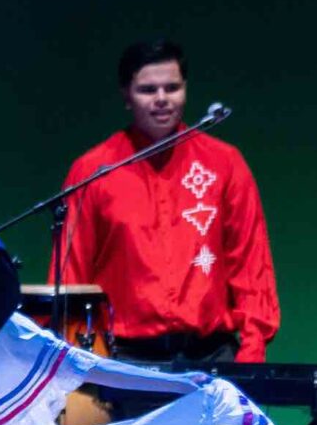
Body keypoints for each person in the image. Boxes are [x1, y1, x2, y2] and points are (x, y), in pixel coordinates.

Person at [54, 40, 277, 366]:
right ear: (126, 96)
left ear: (185, 89)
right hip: (125, 359)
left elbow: (251, 267)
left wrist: (251, 356)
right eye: (148, 90)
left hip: (212, 355)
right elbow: (70, 279)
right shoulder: (93, 172)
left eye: (172, 88)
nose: (162, 99)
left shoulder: (225, 163)